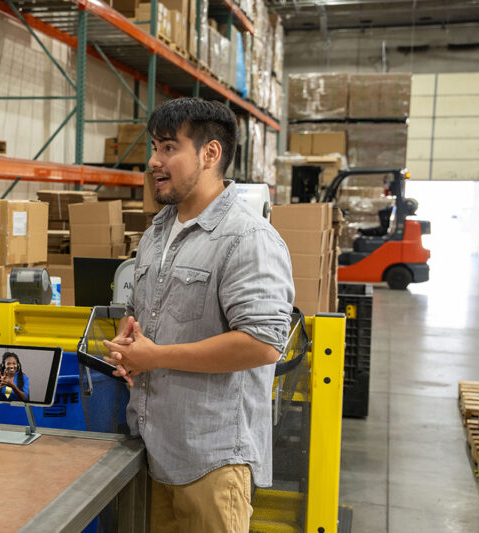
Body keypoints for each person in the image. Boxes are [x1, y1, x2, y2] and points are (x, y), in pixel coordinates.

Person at [101, 98, 294, 532]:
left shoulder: (247, 238)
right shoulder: (156, 233)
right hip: (152, 449)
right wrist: (130, 348)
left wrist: (156, 357)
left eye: (169, 147)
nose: (154, 161)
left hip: (211, 460)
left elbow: (263, 344)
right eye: (154, 147)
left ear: (210, 154)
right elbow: (143, 315)